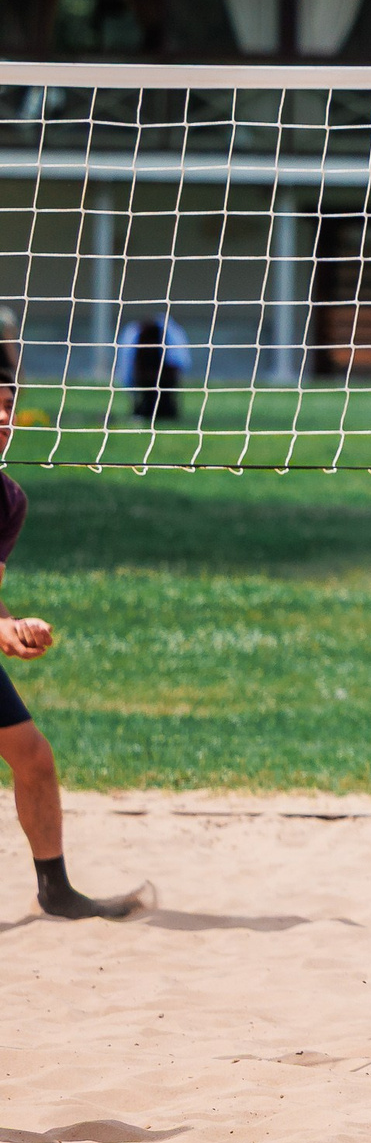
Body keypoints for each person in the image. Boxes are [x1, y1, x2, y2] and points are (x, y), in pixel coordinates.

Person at [0, 382, 150, 920]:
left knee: (33, 758)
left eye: (7, 406)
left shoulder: (8, 500)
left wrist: (12, 627)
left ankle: (56, 892)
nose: (3, 418)